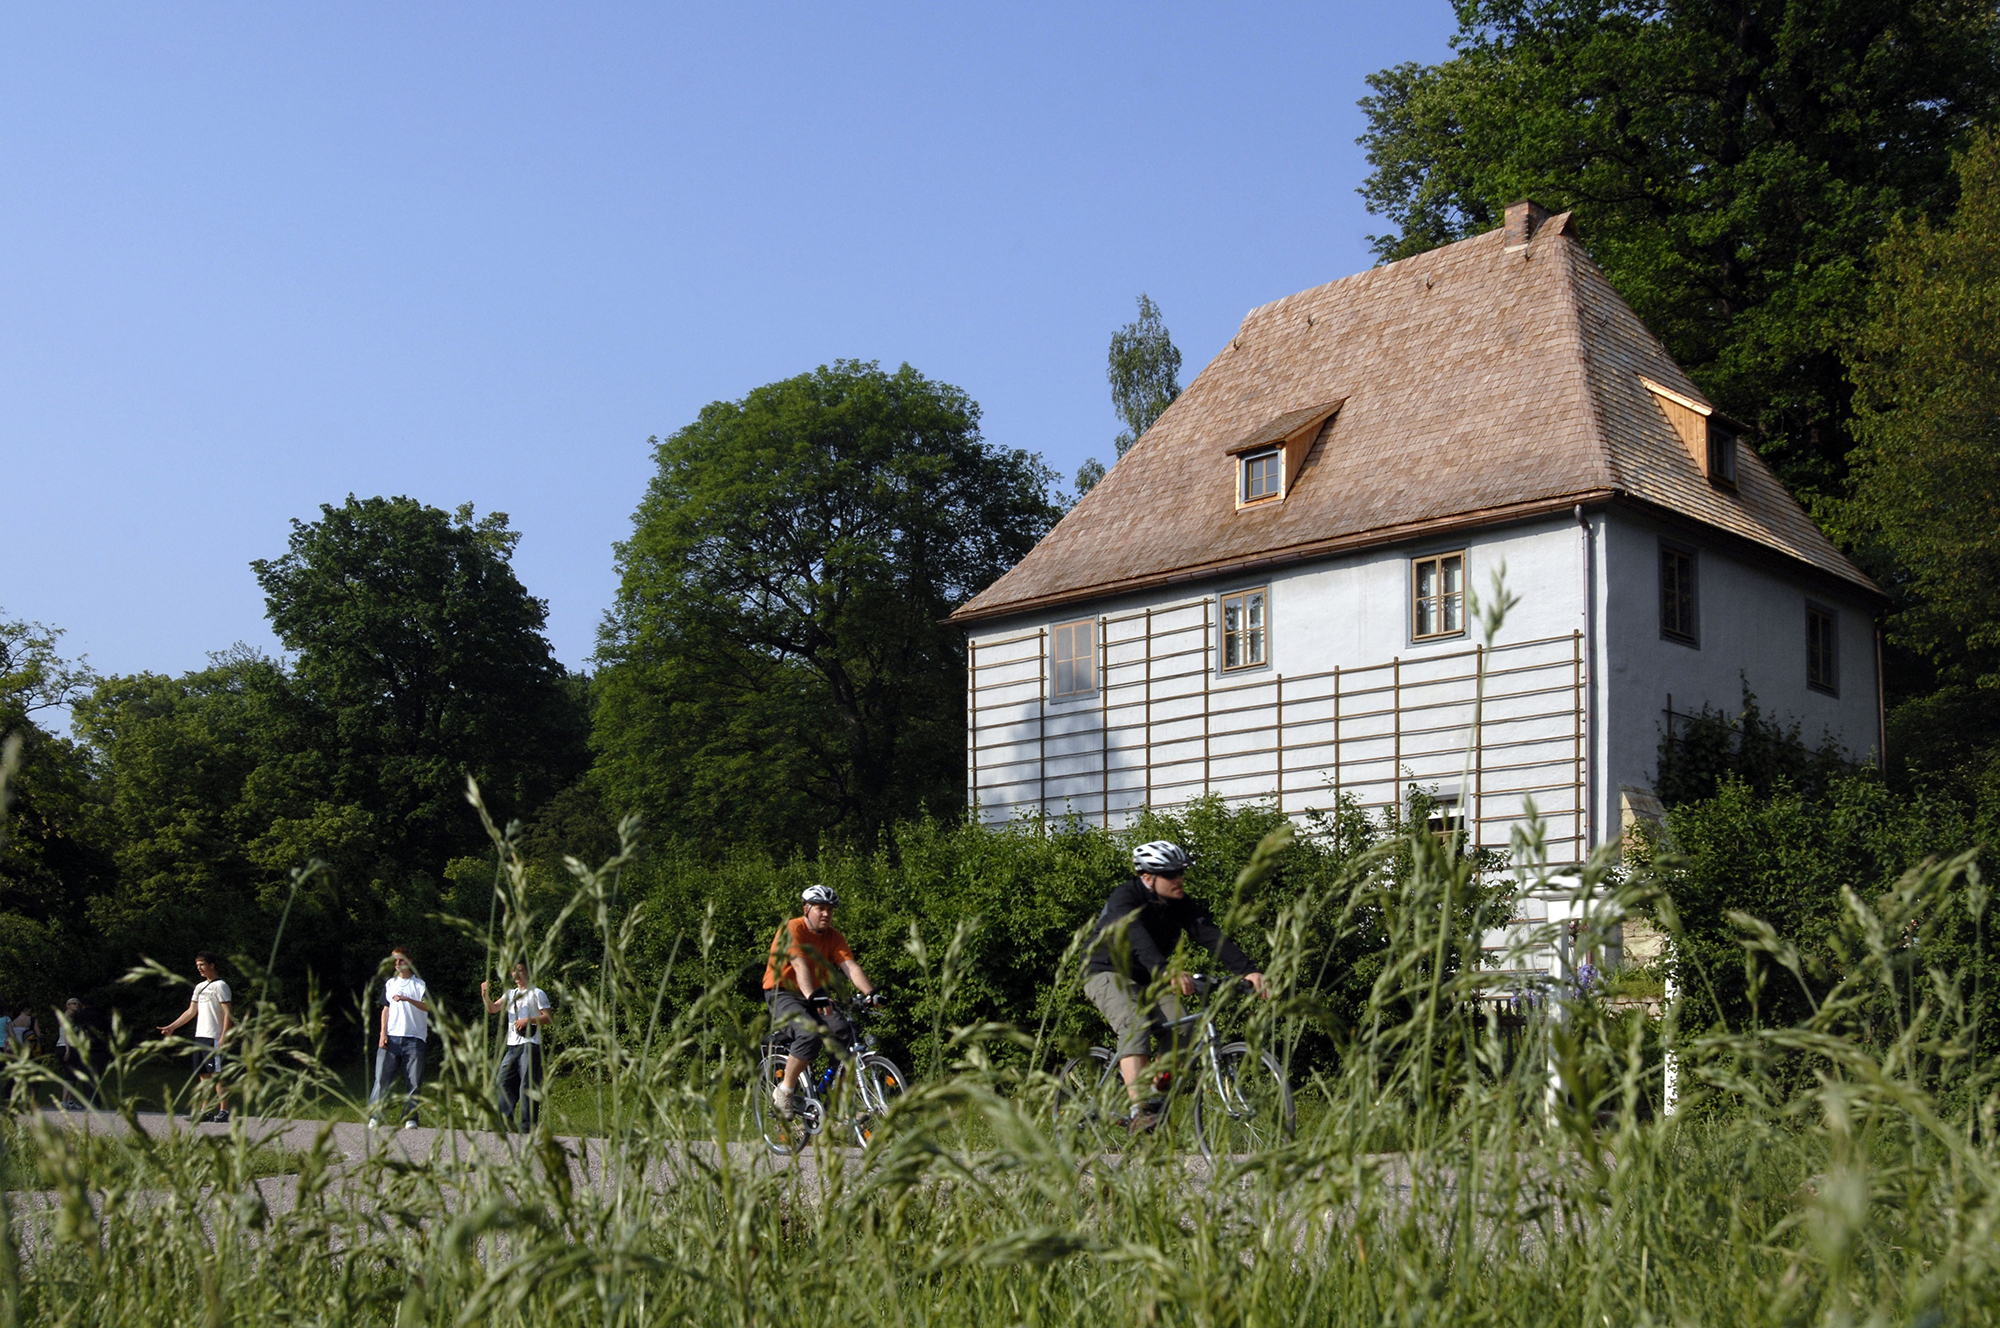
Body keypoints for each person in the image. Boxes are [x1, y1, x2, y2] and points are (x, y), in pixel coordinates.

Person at [1083, 841, 1268, 1132]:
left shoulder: (1179, 903)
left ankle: (1155, 1095)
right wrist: (1164, 969)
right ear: (1147, 877)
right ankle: (1139, 1109)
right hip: (1107, 971)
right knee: (1135, 1024)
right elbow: (1137, 936)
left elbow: (1208, 934)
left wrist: (1249, 970)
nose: (1178, 879)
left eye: (1180, 873)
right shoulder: (1125, 898)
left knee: (1184, 1028)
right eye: (1170, 875)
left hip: (1149, 977)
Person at [761, 884, 882, 1118]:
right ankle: (784, 1092)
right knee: (808, 1033)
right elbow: (799, 963)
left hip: (815, 993)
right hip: (783, 992)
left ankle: (839, 1107)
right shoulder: (792, 929)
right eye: (820, 908)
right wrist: (812, 995)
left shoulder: (834, 937)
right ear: (806, 909)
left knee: (846, 1035)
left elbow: (850, 967)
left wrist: (870, 993)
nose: (826, 913)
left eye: (830, 909)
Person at [158, 952, 233, 1123]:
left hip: (214, 1036)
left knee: (216, 1074)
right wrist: (172, 1027)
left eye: (202, 964)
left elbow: (229, 1014)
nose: (199, 968)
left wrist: (224, 1037)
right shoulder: (199, 987)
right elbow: (191, 1011)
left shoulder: (221, 986)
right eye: (197, 965)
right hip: (200, 1036)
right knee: (203, 1075)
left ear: (212, 965)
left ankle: (224, 1110)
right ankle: (205, 1111)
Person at [481, 961, 550, 1133]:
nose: (516, 975)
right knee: (503, 1082)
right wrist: (485, 995)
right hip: (512, 1046)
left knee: (527, 1085)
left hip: (530, 1044)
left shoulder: (537, 993)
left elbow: (548, 1017)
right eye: (513, 971)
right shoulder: (510, 994)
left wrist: (529, 1020)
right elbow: (493, 1008)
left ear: (527, 972)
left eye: (520, 971)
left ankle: (528, 1125)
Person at [368, 947, 431, 1130]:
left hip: (415, 1038)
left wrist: (407, 999)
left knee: (414, 1080)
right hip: (391, 1038)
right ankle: (376, 1115)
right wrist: (382, 1034)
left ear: (409, 961)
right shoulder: (390, 984)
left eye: (400, 960)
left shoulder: (419, 985)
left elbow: (428, 1007)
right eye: (394, 961)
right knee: (381, 1079)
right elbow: (385, 1009)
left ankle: (410, 1117)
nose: (397, 964)